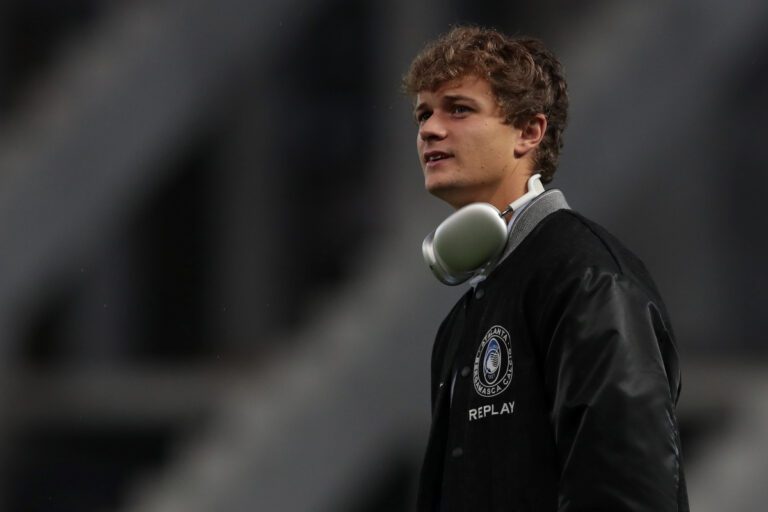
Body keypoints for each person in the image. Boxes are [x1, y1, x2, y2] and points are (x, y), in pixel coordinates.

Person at [403, 26, 689, 511]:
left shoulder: (587, 276)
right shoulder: (469, 312)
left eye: (459, 108)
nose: (430, 128)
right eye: (424, 113)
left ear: (529, 132)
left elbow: (628, 494)